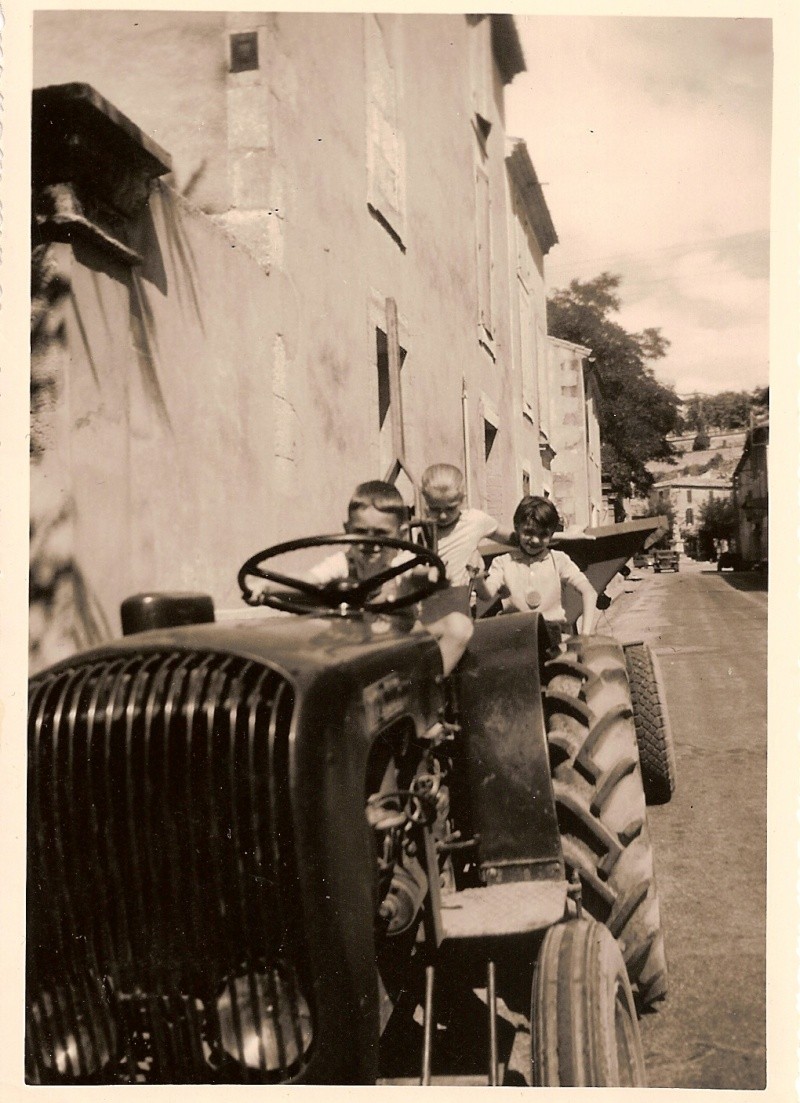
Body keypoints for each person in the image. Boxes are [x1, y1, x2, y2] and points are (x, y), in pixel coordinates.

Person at [286, 480, 474, 677]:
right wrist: (263, 585)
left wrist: (432, 576)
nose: (370, 542)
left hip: (401, 645)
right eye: (361, 533)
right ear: (347, 530)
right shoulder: (343, 563)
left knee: (459, 626)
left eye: (381, 534)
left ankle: (428, 687)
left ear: (401, 534)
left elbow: (416, 573)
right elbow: (307, 580)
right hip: (357, 647)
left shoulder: (402, 563)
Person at [476, 495, 597, 644]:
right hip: (515, 637)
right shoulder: (502, 563)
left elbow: (589, 592)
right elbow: (486, 595)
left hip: (553, 637)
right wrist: (478, 579)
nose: (535, 540)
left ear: (551, 533)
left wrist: (585, 635)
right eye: (528, 533)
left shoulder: (559, 560)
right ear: (516, 528)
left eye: (543, 535)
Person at [420, 464, 515, 586]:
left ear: (462, 500)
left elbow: (513, 538)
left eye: (450, 509)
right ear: (426, 501)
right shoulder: (421, 528)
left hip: (463, 597)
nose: (443, 516)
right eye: (435, 509)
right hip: (429, 597)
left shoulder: (475, 520)